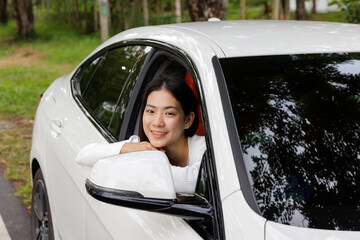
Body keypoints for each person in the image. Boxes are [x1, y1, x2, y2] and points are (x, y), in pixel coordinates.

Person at [76, 70, 206, 193]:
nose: (157, 122)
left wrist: (137, 165)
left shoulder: (205, 148)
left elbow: (198, 181)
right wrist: (127, 148)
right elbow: (84, 156)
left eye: (169, 113)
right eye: (150, 111)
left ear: (188, 120)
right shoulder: (141, 146)